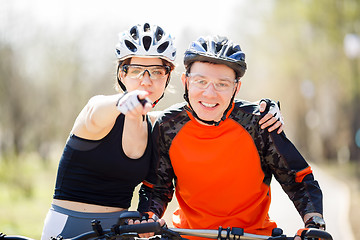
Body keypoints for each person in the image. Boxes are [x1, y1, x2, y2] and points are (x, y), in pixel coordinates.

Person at [40, 24, 283, 240]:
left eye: (156, 71)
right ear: (122, 74)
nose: (146, 80)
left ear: (168, 78)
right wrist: (125, 100)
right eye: (136, 70)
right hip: (71, 229)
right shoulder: (97, 113)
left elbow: (205, 113)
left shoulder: (158, 124)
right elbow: (97, 108)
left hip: (120, 232)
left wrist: (266, 108)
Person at [137, 35, 325, 239]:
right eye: (201, 81)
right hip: (187, 234)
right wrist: (148, 217)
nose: (209, 94)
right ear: (186, 82)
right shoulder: (167, 126)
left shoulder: (259, 123)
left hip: (253, 236)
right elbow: (157, 187)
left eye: (222, 84)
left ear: (236, 88)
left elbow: (298, 180)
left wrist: (314, 224)